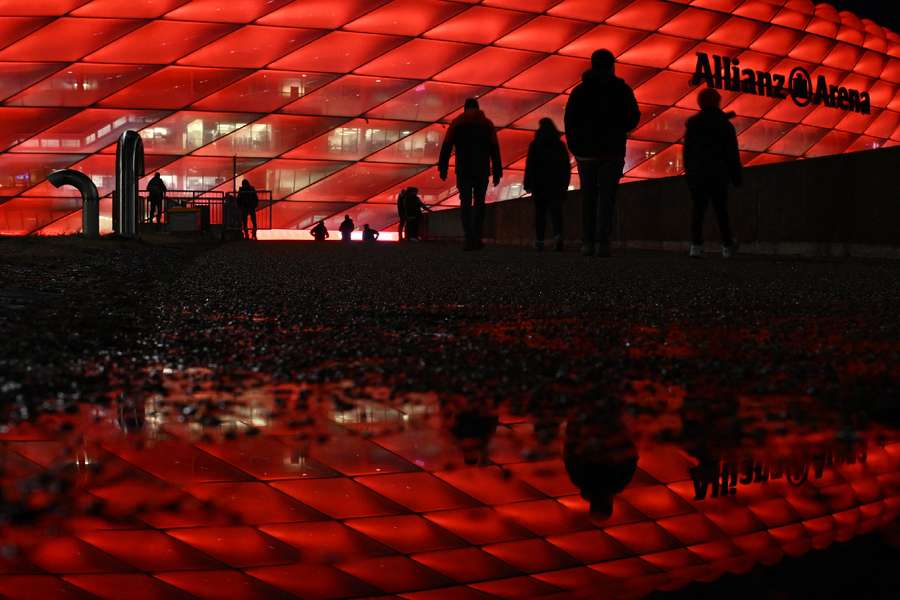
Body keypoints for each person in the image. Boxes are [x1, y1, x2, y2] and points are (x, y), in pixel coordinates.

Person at [564, 49, 640, 257]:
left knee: (588, 197)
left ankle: (587, 242)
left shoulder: (580, 91)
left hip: (585, 153)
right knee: (607, 197)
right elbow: (634, 116)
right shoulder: (621, 89)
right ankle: (602, 242)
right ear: (612, 65)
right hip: (612, 151)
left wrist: (575, 146)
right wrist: (619, 130)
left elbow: (569, 121)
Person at [684, 88, 742, 259]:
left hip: (698, 174)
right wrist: (736, 176)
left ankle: (695, 246)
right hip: (718, 173)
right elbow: (732, 153)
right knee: (721, 210)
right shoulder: (725, 124)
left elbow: (687, 153)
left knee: (698, 210)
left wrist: (690, 174)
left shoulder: (693, 125)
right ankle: (727, 246)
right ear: (717, 101)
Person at [438, 98, 503, 251]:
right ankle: (477, 237)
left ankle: (468, 237)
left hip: (463, 169)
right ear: (478, 108)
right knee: (480, 203)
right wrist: (497, 171)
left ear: (465, 108)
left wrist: (443, 167)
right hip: (482, 169)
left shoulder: (457, 123)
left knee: (465, 202)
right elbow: (494, 148)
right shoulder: (487, 124)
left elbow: (447, 146)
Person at [524, 118, 571, 252]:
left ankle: (539, 241)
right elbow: (565, 166)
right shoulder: (560, 145)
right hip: (556, 184)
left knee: (540, 214)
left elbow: (530, 166)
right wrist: (565, 184)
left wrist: (527, 183)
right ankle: (558, 237)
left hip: (539, 185)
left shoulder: (535, 144)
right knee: (556, 213)